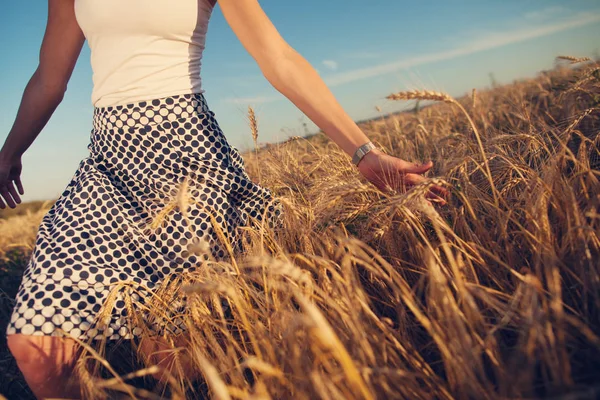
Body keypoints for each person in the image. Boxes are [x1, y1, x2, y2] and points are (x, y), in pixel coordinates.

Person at [0, 0, 448, 398]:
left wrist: (363, 152)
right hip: (107, 165)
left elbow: (278, 59)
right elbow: (48, 79)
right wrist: (8, 153)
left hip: (189, 157)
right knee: (36, 349)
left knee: (177, 361)